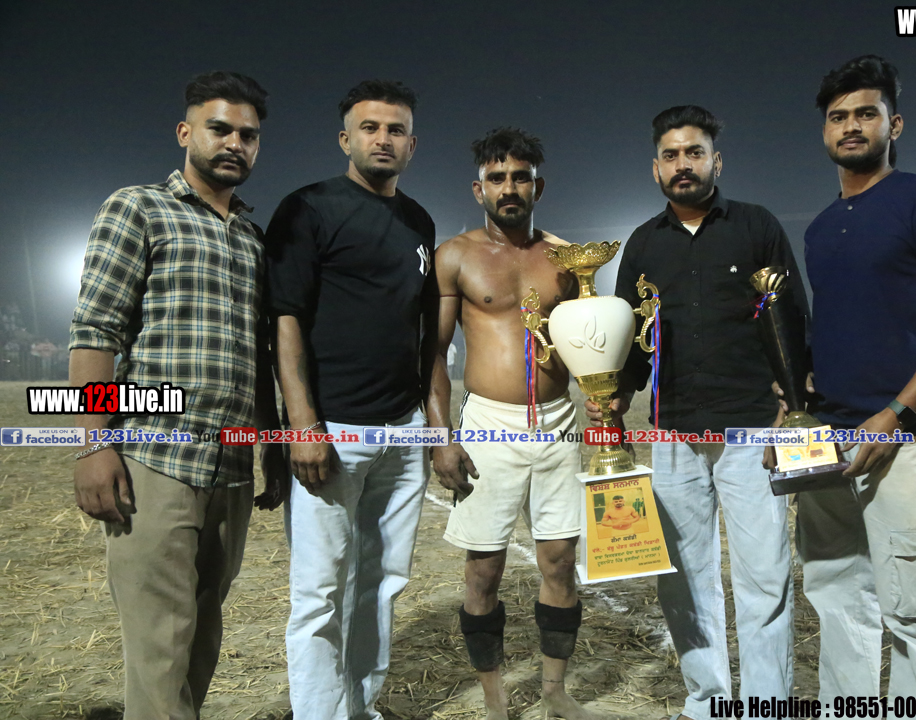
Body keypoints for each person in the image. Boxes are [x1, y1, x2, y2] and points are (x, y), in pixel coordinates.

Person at [68, 71, 287, 720]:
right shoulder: (138, 209)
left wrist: (271, 443)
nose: (235, 144)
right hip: (154, 459)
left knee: (200, 638)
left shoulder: (252, 238)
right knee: (160, 648)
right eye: (220, 129)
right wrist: (93, 446)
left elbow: (259, 358)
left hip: (229, 469)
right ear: (185, 132)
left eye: (248, 135)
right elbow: (96, 331)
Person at [590, 105, 805, 720]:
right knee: (683, 575)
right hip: (674, 432)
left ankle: (766, 706)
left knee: (765, 576)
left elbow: (791, 317)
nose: (682, 164)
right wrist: (616, 395)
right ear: (655, 168)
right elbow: (630, 336)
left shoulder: (757, 226)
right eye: (671, 155)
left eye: (694, 152)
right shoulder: (643, 242)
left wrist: (795, 403)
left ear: (716, 160)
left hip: (750, 429)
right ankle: (706, 701)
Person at [790, 55, 916, 704]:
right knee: (837, 598)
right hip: (827, 440)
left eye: (865, 113)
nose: (850, 126)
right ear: (824, 130)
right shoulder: (821, 228)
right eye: (837, 116)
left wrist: (897, 413)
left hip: (904, 438)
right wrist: (796, 400)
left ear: (893, 124)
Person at [263, 80, 437, 720]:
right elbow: (284, 320)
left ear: (412, 145)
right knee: (319, 592)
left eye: (396, 130)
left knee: (383, 584)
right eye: (370, 127)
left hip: (403, 430)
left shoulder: (419, 221)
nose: (383, 139)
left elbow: (421, 331)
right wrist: (303, 424)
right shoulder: (308, 208)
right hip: (333, 428)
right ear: (345, 139)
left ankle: (361, 707)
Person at [428, 127, 596, 720]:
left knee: (560, 563)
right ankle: (495, 699)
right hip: (488, 423)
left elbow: (588, 344)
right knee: (484, 569)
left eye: (520, 178)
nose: (509, 188)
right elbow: (434, 354)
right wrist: (441, 437)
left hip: (557, 421)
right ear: (479, 188)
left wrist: (603, 402)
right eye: (496, 178)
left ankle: (554, 692)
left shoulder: (568, 258)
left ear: (537, 187)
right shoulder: (455, 255)